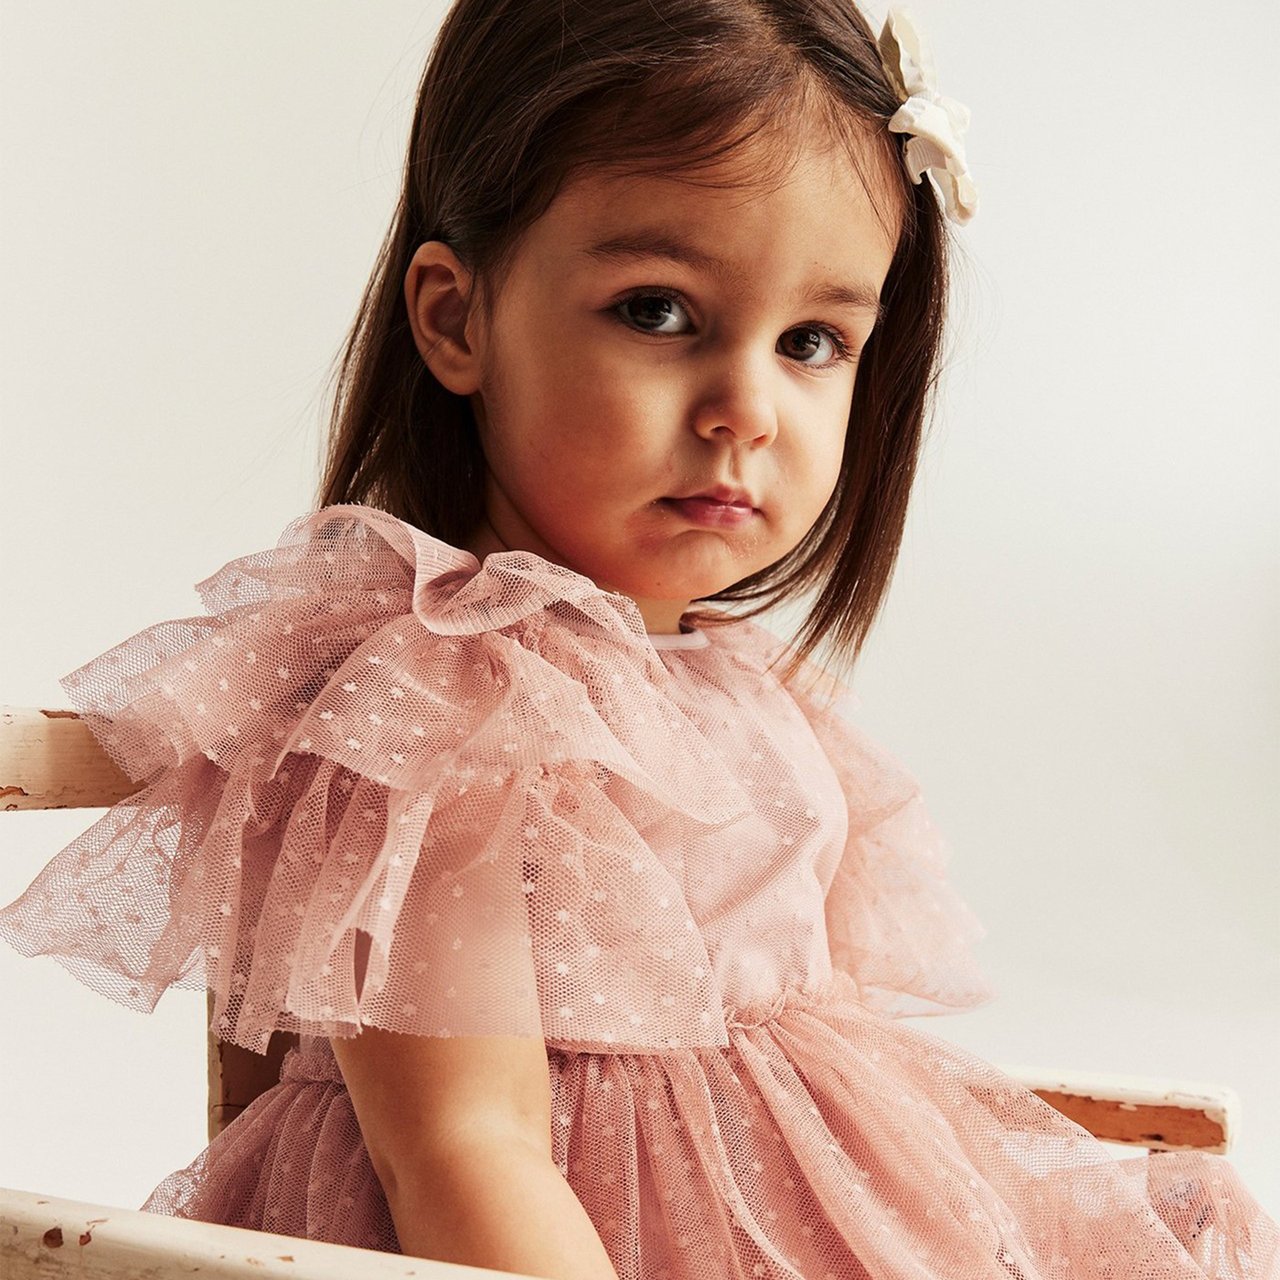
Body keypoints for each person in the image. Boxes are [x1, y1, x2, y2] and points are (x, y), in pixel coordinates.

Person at [2, 1, 1276, 1276]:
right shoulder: (447, 689)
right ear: (455, 321)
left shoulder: (736, 684)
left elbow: (807, 1059)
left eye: (812, 341)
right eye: (658, 311)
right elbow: (463, 1147)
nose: (745, 408)